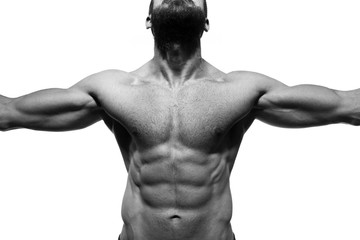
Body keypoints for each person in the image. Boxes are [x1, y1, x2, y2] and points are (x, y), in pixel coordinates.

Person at [0, 0, 359, 239]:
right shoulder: (112, 89)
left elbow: (345, 105)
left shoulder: (243, 90)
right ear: (147, 20)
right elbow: (11, 112)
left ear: (206, 21)